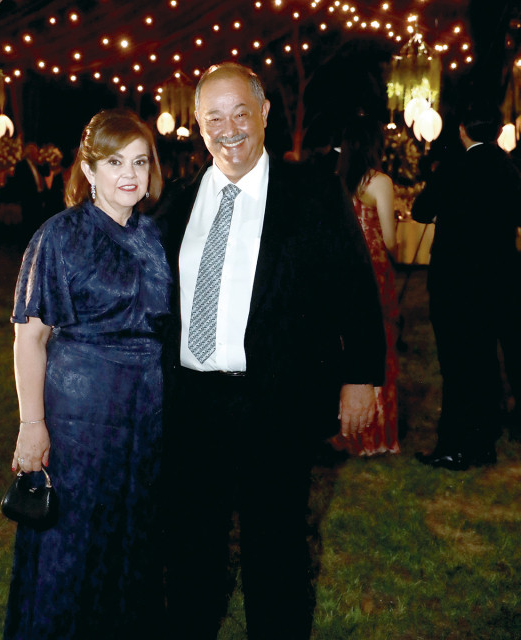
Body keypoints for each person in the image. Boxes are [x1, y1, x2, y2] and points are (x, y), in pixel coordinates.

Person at [157, 62, 386, 640]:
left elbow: (355, 287)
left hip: (276, 401)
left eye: (240, 113)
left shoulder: (312, 191)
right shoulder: (178, 202)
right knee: (189, 548)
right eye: (214, 118)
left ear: (263, 113)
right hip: (192, 405)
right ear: (198, 126)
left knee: (276, 548)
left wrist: (360, 376)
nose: (229, 129)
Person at [3, 109, 171, 640]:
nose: (130, 174)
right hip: (80, 420)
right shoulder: (60, 235)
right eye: (115, 162)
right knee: (72, 544)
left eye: (140, 161)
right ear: (90, 168)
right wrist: (33, 425)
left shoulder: (154, 236)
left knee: (132, 538)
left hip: (145, 417)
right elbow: (30, 338)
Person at [412, 99, 521, 470]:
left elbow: (420, 211)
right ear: (497, 131)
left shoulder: (455, 168)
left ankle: (456, 446)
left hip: (456, 282)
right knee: (486, 361)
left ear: (461, 130)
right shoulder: (510, 169)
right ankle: (484, 442)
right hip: (500, 279)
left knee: (457, 365)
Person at [331, 115, 400, 455]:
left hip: (341, 270)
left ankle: (345, 429)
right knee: (381, 341)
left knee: (347, 344)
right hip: (373, 270)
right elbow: (389, 239)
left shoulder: (336, 181)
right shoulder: (379, 182)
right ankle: (377, 433)